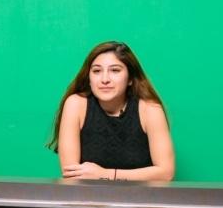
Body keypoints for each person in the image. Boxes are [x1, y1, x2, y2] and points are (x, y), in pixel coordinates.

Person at [48, 41, 175, 181]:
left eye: (115, 70)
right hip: (88, 199)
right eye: (97, 71)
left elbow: (166, 173)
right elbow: (72, 174)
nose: (105, 79)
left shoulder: (150, 109)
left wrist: (105, 174)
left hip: (140, 199)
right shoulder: (75, 105)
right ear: (89, 78)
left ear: (130, 79)